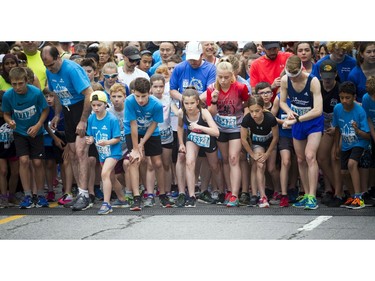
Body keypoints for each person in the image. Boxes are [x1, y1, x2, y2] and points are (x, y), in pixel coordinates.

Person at [41, 45, 93, 211]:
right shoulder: (50, 71)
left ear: (58, 58)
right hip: (67, 111)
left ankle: (85, 195)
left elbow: (89, 94)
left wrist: (83, 120)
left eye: (51, 64)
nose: (50, 69)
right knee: (72, 154)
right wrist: (56, 114)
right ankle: (81, 193)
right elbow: (57, 94)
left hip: (80, 108)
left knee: (80, 151)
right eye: (46, 66)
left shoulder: (71, 69)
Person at [280, 55, 324, 210]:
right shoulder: (286, 80)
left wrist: (297, 119)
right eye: (290, 75)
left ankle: (312, 195)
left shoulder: (313, 81)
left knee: (310, 155)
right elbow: (282, 101)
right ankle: (305, 194)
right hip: (297, 121)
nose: (292, 79)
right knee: (300, 159)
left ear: (302, 69)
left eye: (295, 75)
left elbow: (318, 110)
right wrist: (289, 112)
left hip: (312, 122)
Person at [2, 67, 49, 208]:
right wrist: (9, 121)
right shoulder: (8, 96)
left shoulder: (35, 93)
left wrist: (38, 125)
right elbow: (6, 113)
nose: (17, 87)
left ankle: (40, 195)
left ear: (26, 81)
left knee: (38, 163)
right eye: (14, 84)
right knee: (23, 160)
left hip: (36, 132)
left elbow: (45, 109)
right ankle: (27, 195)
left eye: (20, 83)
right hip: (20, 132)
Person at [124, 77, 174, 211]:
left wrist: (142, 143)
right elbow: (133, 125)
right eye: (137, 96)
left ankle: (162, 194)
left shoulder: (156, 104)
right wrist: (136, 148)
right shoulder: (129, 101)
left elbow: (154, 124)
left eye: (144, 96)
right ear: (133, 92)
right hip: (132, 131)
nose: (140, 100)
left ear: (149, 92)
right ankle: (136, 198)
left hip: (151, 132)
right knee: (134, 160)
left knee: (157, 163)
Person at [206, 61, 249, 207]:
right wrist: (213, 101)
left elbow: (247, 104)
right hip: (220, 128)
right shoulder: (211, 89)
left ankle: (235, 194)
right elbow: (210, 113)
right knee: (224, 159)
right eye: (220, 77)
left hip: (236, 127)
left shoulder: (240, 87)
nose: (223, 81)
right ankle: (229, 190)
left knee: (233, 158)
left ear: (232, 76)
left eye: (226, 77)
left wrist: (246, 126)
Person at [177, 88, 223, 207]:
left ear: (197, 102)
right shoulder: (182, 112)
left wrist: (199, 127)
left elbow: (216, 132)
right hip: (193, 138)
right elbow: (180, 126)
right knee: (189, 162)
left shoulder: (204, 112)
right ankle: (192, 195)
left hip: (208, 138)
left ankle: (222, 192)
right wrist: (181, 143)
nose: (189, 106)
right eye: (186, 103)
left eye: (192, 103)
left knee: (214, 166)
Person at [333, 81, 370, 209]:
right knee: (343, 172)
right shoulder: (337, 108)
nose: (344, 101)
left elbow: (367, 135)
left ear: (354, 98)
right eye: (342, 97)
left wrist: (358, 130)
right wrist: (336, 146)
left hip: (360, 142)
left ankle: (359, 198)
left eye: (347, 98)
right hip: (346, 144)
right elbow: (337, 128)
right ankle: (353, 195)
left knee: (351, 164)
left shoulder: (360, 111)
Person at [85, 90, 121, 215]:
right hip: (102, 153)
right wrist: (90, 139)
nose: (96, 108)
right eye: (93, 105)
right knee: (111, 177)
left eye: (99, 105)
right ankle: (122, 199)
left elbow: (117, 138)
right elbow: (90, 135)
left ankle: (106, 204)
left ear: (105, 104)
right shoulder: (91, 118)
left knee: (104, 174)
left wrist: (106, 142)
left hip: (113, 152)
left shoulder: (112, 119)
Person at [241, 95, 279, 208]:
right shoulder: (247, 119)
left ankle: (278, 191)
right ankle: (262, 196)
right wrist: (252, 155)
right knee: (260, 165)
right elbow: (243, 139)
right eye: (251, 111)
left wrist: (267, 154)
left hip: (271, 143)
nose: (254, 114)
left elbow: (276, 137)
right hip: (258, 143)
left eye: (257, 111)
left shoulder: (270, 118)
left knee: (271, 168)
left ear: (262, 108)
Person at [315, 60, 344, 207]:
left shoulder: (340, 89)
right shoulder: (317, 86)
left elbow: (346, 110)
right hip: (320, 126)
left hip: (337, 127)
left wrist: (336, 127)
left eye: (330, 76)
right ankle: (330, 188)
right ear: (320, 75)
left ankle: (339, 191)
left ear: (336, 74)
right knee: (321, 157)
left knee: (335, 157)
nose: (327, 79)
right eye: (325, 76)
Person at [148, 74, 179, 207]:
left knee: (166, 164)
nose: (159, 89)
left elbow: (176, 111)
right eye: (155, 87)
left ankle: (166, 192)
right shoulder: (147, 100)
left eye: (161, 86)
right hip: (152, 136)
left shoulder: (168, 99)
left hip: (166, 135)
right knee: (151, 165)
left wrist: (180, 113)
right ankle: (150, 193)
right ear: (151, 88)